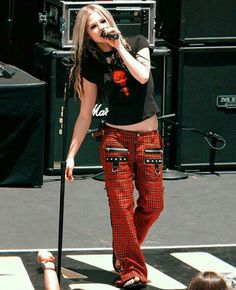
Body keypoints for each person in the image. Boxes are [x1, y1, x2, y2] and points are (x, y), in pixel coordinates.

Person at [65, 3, 164, 289]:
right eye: (92, 28)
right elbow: (86, 113)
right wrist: (71, 154)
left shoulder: (137, 42)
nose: (99, 29)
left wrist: (119, 46)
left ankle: (123, 250)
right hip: (116, 141)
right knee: (121, 208)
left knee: (154, 205)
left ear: (109, 21)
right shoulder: (91, 64)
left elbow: (142, 76)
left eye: (101, 22)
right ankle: (132, 271)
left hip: (149, 140)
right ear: (88, 36)